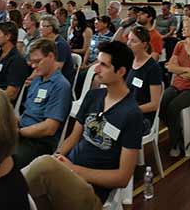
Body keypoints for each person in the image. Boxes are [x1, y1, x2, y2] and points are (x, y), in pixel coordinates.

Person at [24, 40, 144, 209]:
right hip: (67, 173)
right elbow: (73, 138)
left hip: (90, 191)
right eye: (98, 63)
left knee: (38, 170)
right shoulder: (93, 97)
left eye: (103, 65)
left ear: (121, 71)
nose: (96, 69)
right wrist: (57, 157)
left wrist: (74, 170)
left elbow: (122, 178)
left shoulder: (131, 114)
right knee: (40, 172)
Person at [11, 39, 73, 166]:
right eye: (32, 62)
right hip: (23, 133)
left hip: (39, 143)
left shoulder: (60, 86)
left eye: (37, 61)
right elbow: (27, 112)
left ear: (51, 56)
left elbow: (49, 128)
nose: (33, 66)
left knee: (6, 159)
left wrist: (18, 132)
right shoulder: (37, 80)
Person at [160, 17, 190, 156]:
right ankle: (178, 131)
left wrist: (180, 70)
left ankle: (175, 143)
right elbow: (170, 67)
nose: (182, 29)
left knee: (173, 108)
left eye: (186, 27)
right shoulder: (180, 45)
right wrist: (187, 70)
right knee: (161, 105)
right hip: (177, 85)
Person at [124, 28, 164, 128]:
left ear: (144, 44)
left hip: (143, 116)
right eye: (129, 39)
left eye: (133, 41)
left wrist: (130, 110)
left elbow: (154, 104)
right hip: (128, 108)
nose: (128, 43)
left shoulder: (153, 68)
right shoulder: (129, 60)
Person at [38, 17, 75, 84]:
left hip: (60, 82)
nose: (40, 29)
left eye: (42, 26)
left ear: (51, 28)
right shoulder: (48, 43)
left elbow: (56, 70)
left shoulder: (60, 45)